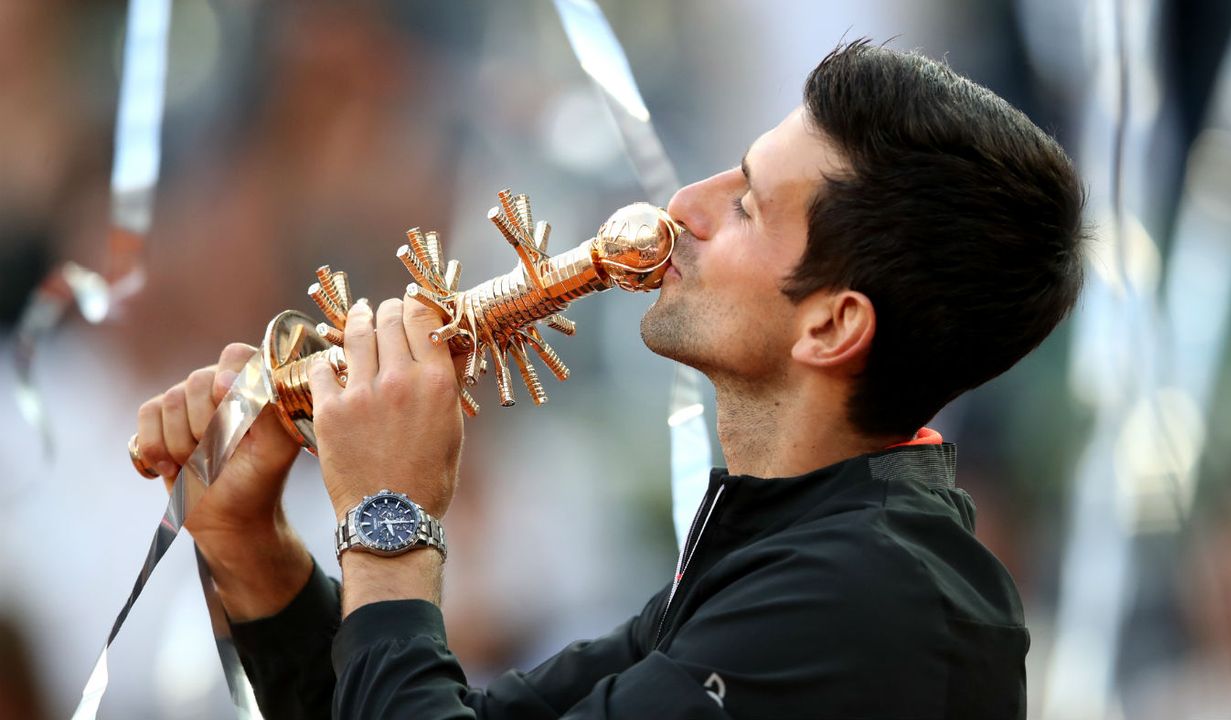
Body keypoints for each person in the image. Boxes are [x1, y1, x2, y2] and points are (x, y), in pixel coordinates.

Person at [132, 39, 1085, 719]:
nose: (683, 207)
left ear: (833, 325)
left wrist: (389, 515)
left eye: (746, 204)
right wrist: (248, 540)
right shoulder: (788, 562)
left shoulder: (873, 606)